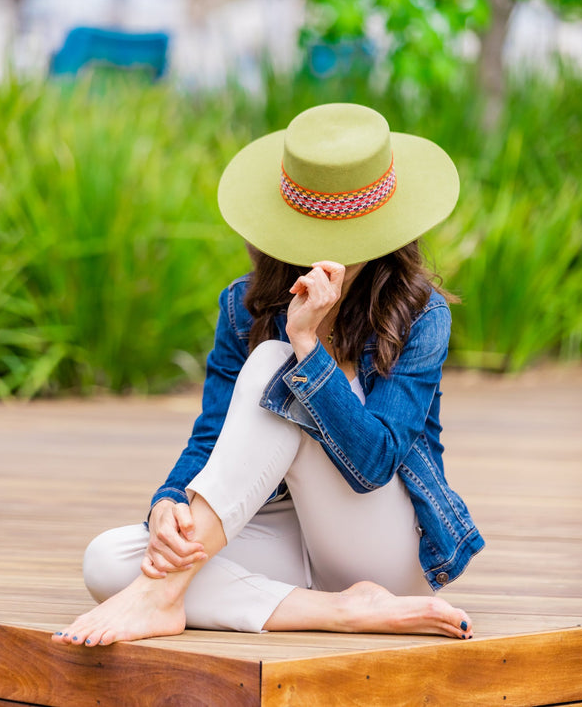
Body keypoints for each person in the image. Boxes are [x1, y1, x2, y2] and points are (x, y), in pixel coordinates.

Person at [52, 102, 484, 648]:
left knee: (274, 362)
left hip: (383, 545)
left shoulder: (420, 315)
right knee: (108, 562)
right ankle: (340, 611)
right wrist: (168, 503)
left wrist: (306, 346)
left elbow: (375, 465)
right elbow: (211, 437)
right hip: (283, 528)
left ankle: (166, 598)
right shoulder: (244, 306)